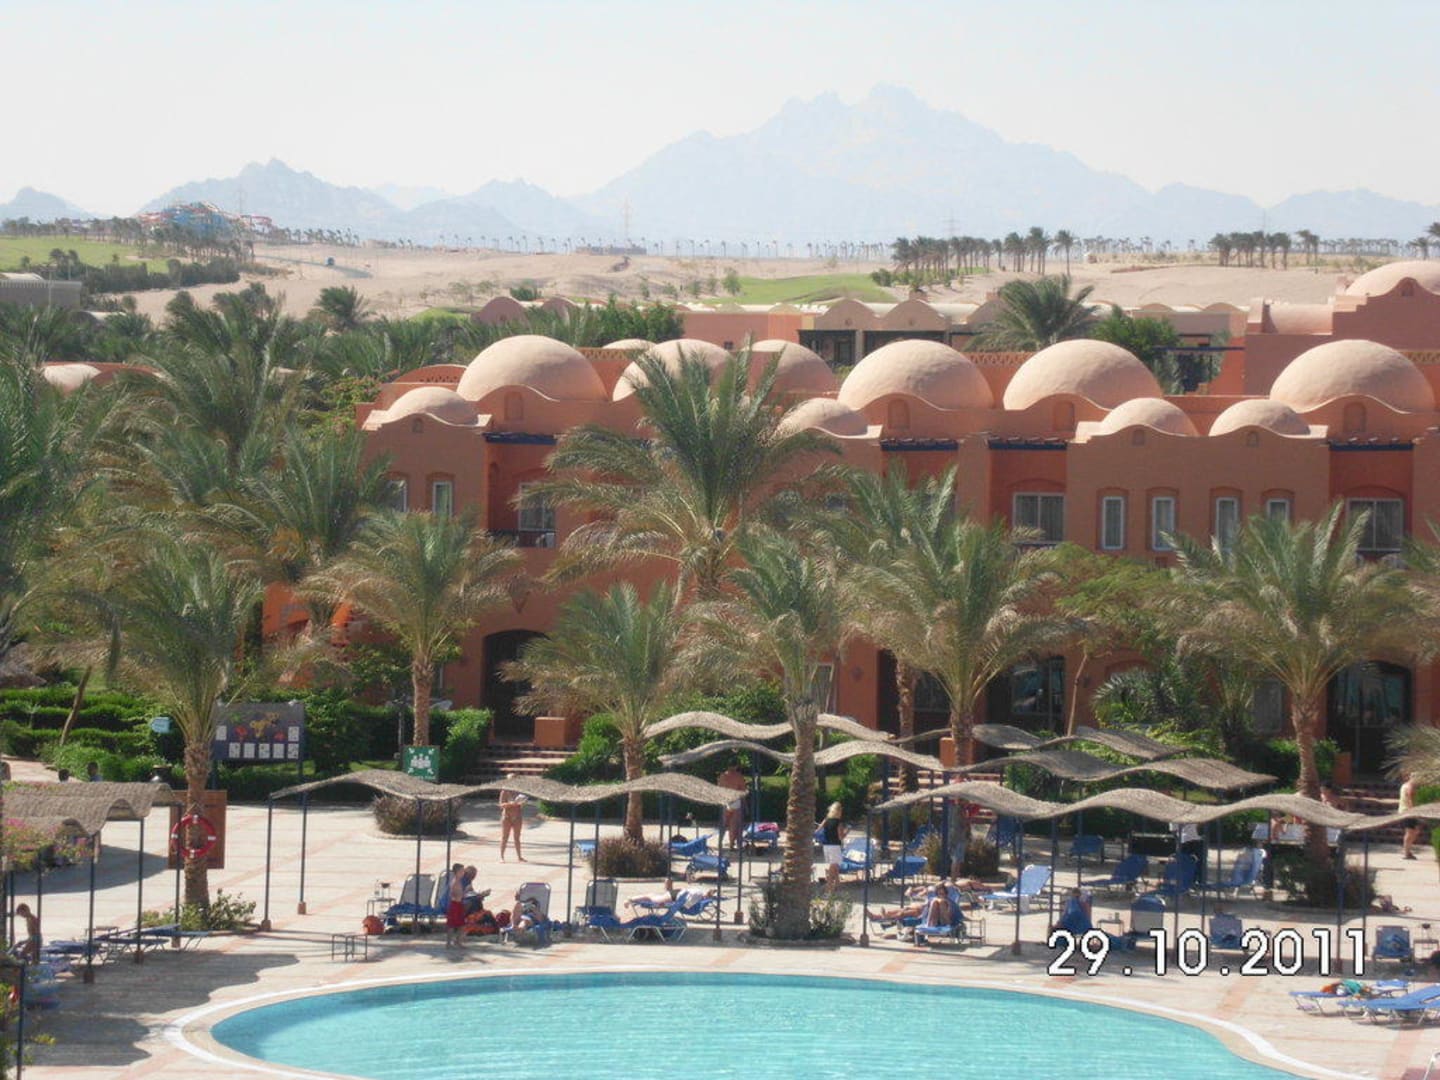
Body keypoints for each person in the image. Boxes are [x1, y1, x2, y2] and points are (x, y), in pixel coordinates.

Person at [718, 763, 747, 849]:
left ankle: (720, 842)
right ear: (736, 766)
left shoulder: (722, 776)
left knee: (723, 824)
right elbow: (743, 791)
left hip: (725, 800)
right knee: (734, 825)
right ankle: (732, 845)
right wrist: (745, 805)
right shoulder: (738, 776)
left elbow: (719, 789)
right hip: (735, 801)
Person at [499, 776, 526, 862]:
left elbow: (522, 805)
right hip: (506, 816)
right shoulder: (504, 791)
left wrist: (522, 802)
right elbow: (501, 805)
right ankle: (502, 857)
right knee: (505, 837)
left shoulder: (519, 791)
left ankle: (519, 857)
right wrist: (510, 804)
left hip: (517, 816)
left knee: (517, 837)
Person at [820, 802, 846, 891]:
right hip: (835, 845)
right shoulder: (838, 822)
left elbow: (818, 830)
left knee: (835, 865)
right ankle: (829, 885)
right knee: (833, 865)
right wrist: (847, 832)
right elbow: (841, 837)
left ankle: (837, 883)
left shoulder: (826, 820)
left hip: (826, 845)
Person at [444, 862, 467, 947]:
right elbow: (453, 894)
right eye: (462, 871)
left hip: (459, 904)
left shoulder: (459, 881)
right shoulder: (454, 882)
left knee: (461, 924)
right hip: (455, 905)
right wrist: (464, 893)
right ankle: (449, 942)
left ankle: (458, 941)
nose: (463, 873)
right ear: (457, 872)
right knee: (452, 925)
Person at [1399, 773, 1420, 860]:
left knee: (1415, 831)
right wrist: (1414, 812)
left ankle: (1408, 850)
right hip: (1408, 812)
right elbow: (1410, 800)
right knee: (1410, 832)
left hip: (1405, 811)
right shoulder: (1410, 787)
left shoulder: (1405, 785)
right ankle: (1406, 853)